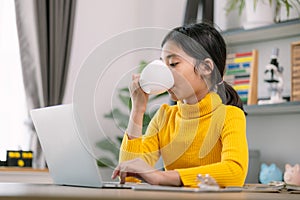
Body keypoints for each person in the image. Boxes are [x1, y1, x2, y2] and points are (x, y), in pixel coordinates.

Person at [111, 22, 248, 188]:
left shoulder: (229, 116)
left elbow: (235, 172)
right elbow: (129, 176)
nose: (165, 72)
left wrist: (160, 177)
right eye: (163, 64)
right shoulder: (164, 117)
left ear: (205, 67)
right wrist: (137, 111)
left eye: (174, 64)